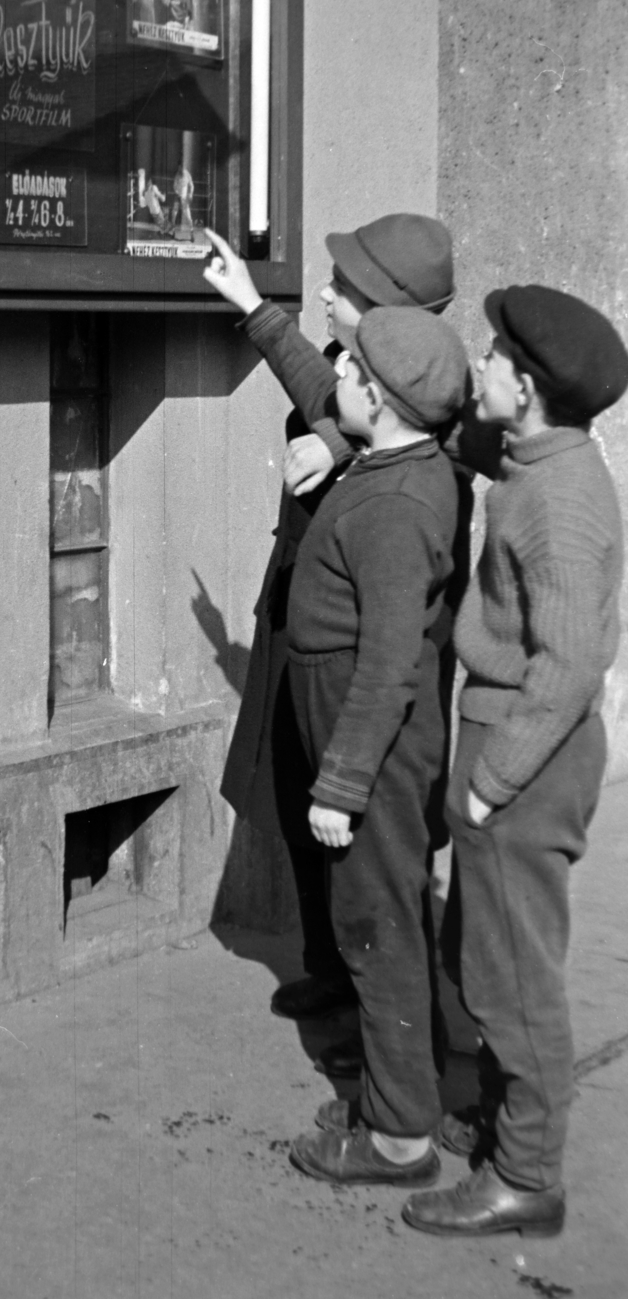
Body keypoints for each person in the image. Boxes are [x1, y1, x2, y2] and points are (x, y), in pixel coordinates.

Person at [205, 217, 484, 1087]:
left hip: (370, 677)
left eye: (345, 289)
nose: (325, 295)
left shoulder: (425, 435)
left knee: (373, 879)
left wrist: (334, 437)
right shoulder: (382, 399)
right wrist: (255, 309)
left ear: (395, 318)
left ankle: (399, 1083)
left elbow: (389, 440)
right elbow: (337, 395)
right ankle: (340, 987)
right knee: (306, 816)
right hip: (324, 652)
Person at [401, 285, 628, 1238]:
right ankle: (501, 1122)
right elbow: (457, 431)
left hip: (524, 754)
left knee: (512, 977)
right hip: (506, 735)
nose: (477, 367)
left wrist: (490, 789)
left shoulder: (561, 501)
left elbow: (571, 664)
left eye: (491, 359)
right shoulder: (538, 453)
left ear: (526, 387)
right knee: (482, 952)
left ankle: (526, 1177)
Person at [248, 301, 467, 1185]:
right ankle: (393, 1094)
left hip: (364, 729)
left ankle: (400, 1138)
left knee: (375, 930)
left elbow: (384, 667)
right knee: (383, 919)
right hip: (353, 718)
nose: (333, 376)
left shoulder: (394, 507)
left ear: (374, 400)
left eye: (348, 373)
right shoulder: (395, 459)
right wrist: (257, 317)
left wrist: (339, 787)